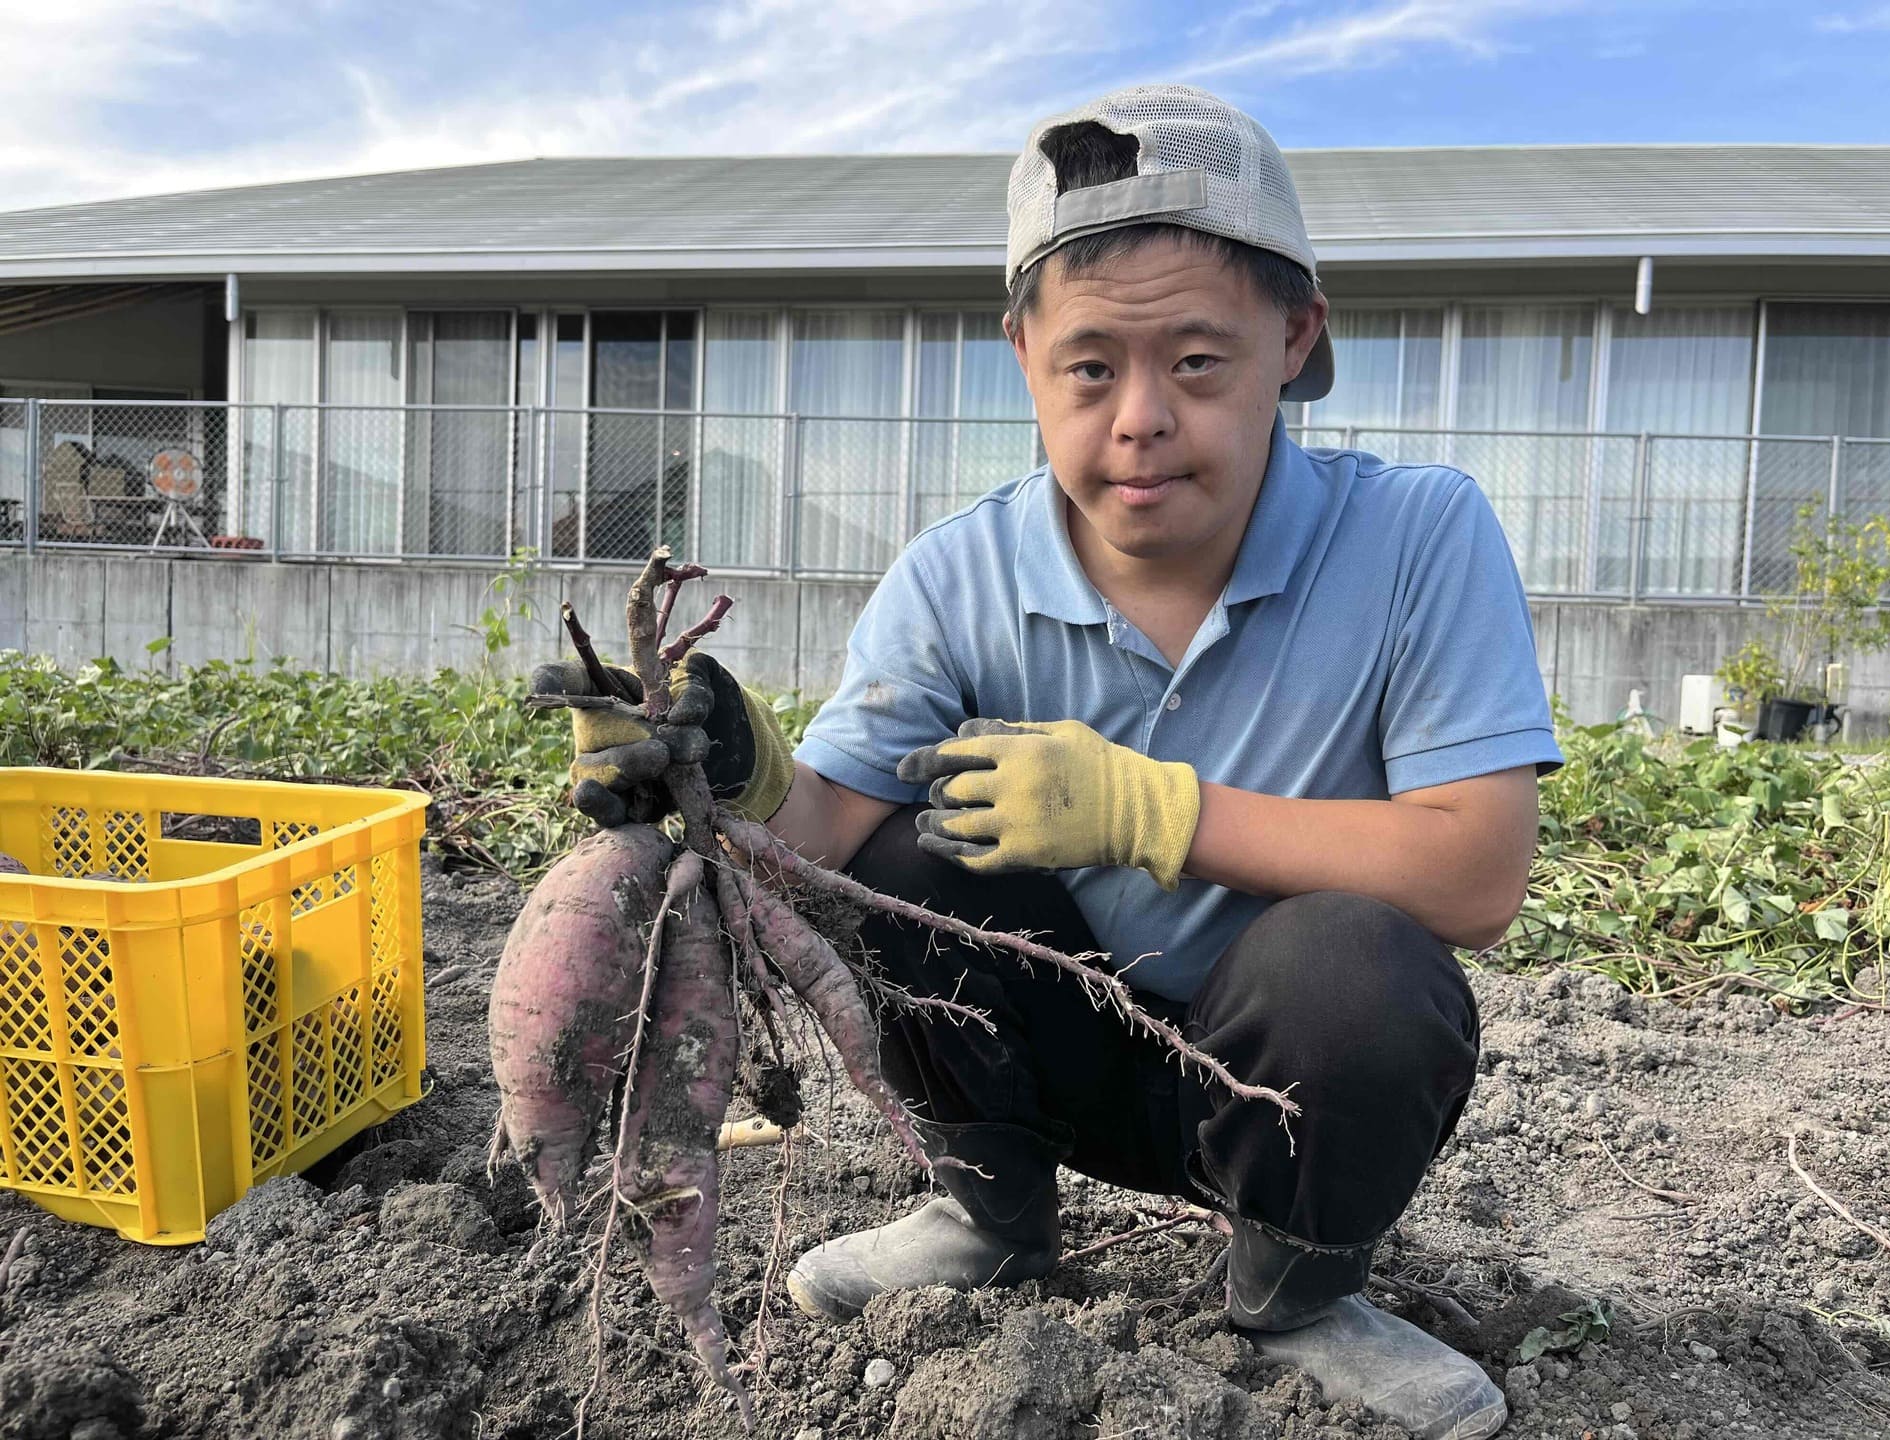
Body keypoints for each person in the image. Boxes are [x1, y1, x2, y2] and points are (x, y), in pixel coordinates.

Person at [535, 83, 1560, 1440]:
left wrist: (1148, 811)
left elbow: (1479, 874)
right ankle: (987, 1214)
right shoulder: (958, 576)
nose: (1139, 418)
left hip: (1291, 1080)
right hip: (1054, 1054)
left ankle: (1297, 1293)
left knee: (1362, 966)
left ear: (1295, 339)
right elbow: (825, 835)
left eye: (1197, 363)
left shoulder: (1417, 537)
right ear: (1023, 354)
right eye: (1089, 368)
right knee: (905, 854)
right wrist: (726, 771)